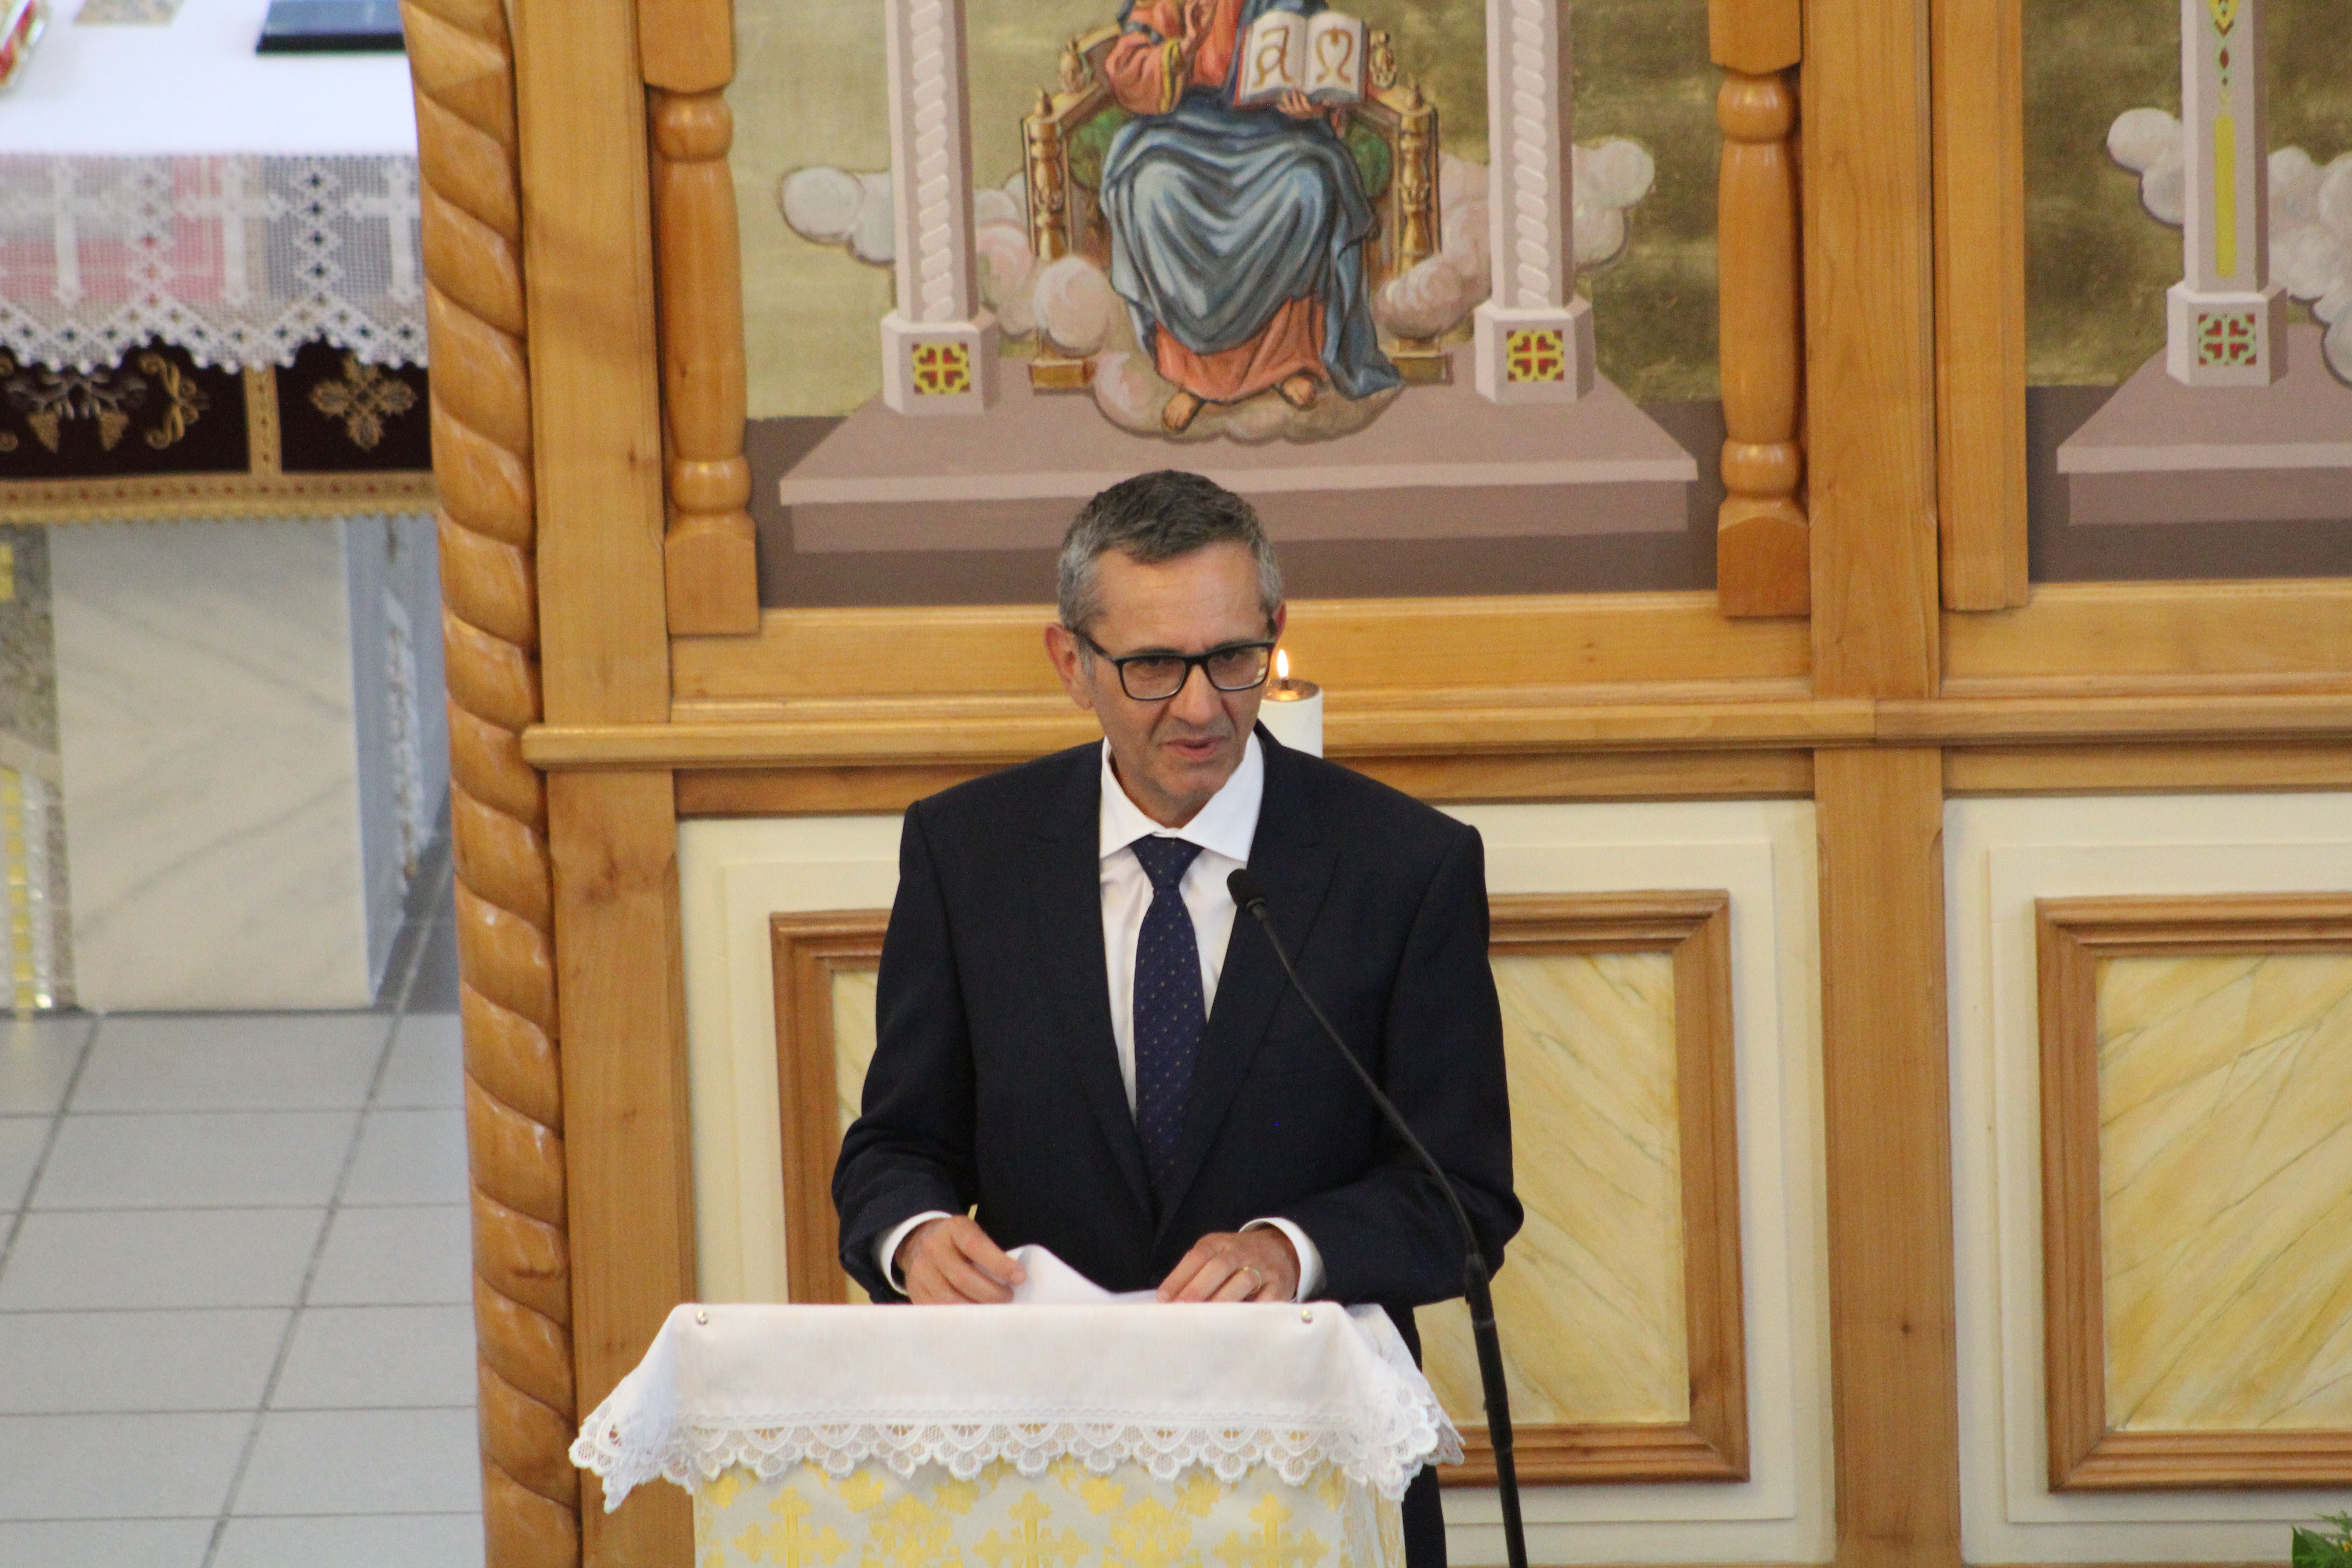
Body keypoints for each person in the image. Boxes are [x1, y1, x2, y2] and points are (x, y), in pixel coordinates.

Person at [833, 468, 1519, 1568]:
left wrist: (1289, 1250)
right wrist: (912, 1235)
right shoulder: (968, 853)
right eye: (1153, 665)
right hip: (1040, 1468)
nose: (1201, 707)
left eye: (1233, 657)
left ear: (1275, 632)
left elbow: (1462, 1196)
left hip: (1304, 1471)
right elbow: (897, 1145)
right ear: (1071, 662)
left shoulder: (1405, 865)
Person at [1097, 0, 1403, 433]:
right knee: (1153, 190)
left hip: (1277, 131)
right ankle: (1194, 375)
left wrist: (1315, 105)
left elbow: (1324, 58)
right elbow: (1127, 69)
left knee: (1308, 186)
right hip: (1183, 131)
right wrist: (1184, 49)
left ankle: (1285, 362)